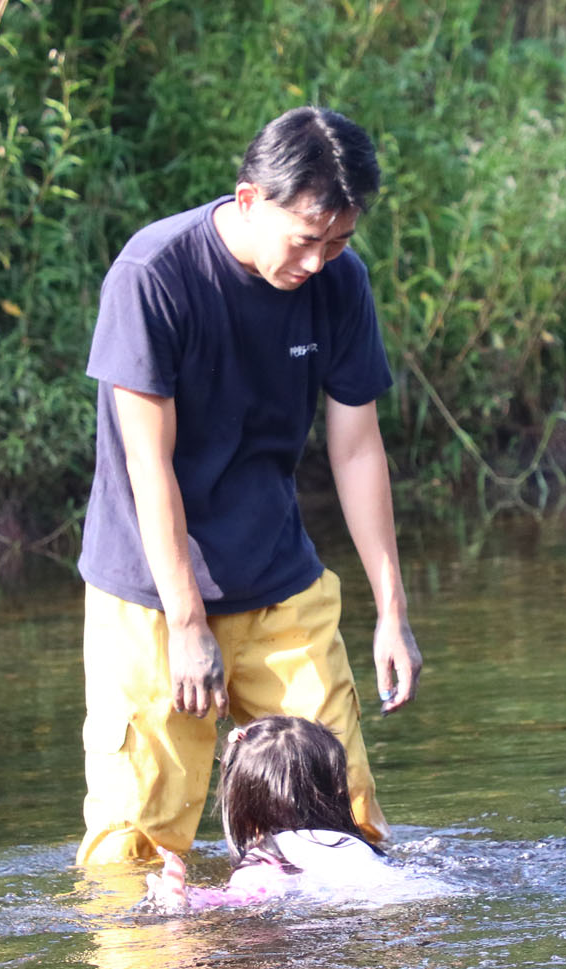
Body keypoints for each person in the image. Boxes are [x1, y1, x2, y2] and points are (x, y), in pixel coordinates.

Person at [76, 105, 422, 867]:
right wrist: (187, 621)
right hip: (149, 599)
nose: (319, 261)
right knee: (139, 844)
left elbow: (358, 448)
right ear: (247, 200)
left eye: (340, 241)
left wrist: (391, 613)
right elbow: (148, 464)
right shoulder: (153, 275)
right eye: (306, 238)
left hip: (276, 581)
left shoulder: (339, 282)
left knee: (347, 822)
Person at [141, 716, 416, 912]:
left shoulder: (268, 859)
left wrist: (186, 898)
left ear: (244, 803)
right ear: (336, 789)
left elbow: (242, 899)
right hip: (400, 891)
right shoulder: (356, 846)